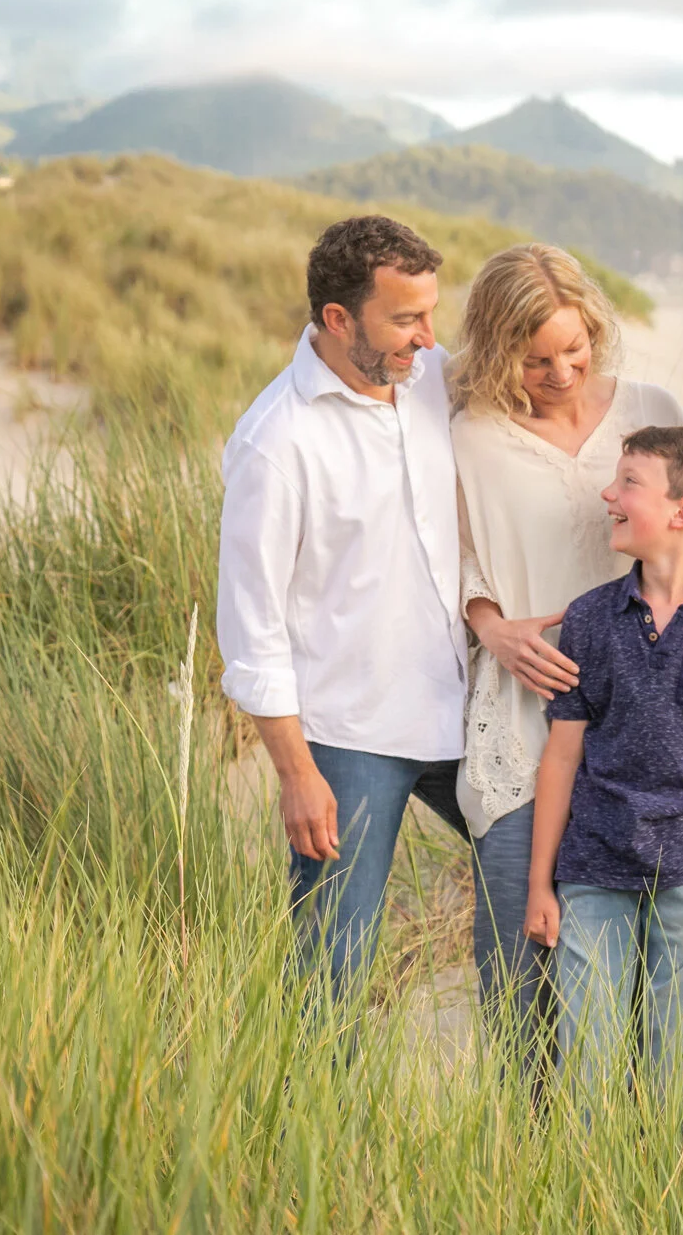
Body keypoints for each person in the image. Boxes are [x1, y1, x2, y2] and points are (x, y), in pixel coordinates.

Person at [217, 215, 471, 997]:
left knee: (556, 883)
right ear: (337, 319)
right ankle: (313, 1114)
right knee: (332, 965)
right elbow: (251, 630)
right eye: (405, 319)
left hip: (471, 709)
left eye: (431, 313)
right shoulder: (276, 442)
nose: (429, 337)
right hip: (351, 735)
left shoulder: (431, 378)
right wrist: (296, 772)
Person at [449, 243, 683, 1062]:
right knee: (519, 968)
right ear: (495, 347)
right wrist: (490, 624)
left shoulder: (650, 408)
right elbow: (449, 554)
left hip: (644, 734)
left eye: (575, 351)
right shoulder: (470, 436)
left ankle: (631, 1154)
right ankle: (525, 1165)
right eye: (535, 357)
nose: (560, 372)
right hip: (523, 723)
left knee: (644, 977)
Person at [523, 427, 683, 1105]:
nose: (609, 493)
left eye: (629, 482)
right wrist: (539, 884)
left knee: (681, 1069)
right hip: (592, 867)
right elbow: (562, 755)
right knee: (588, 1062)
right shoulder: (590, 618)